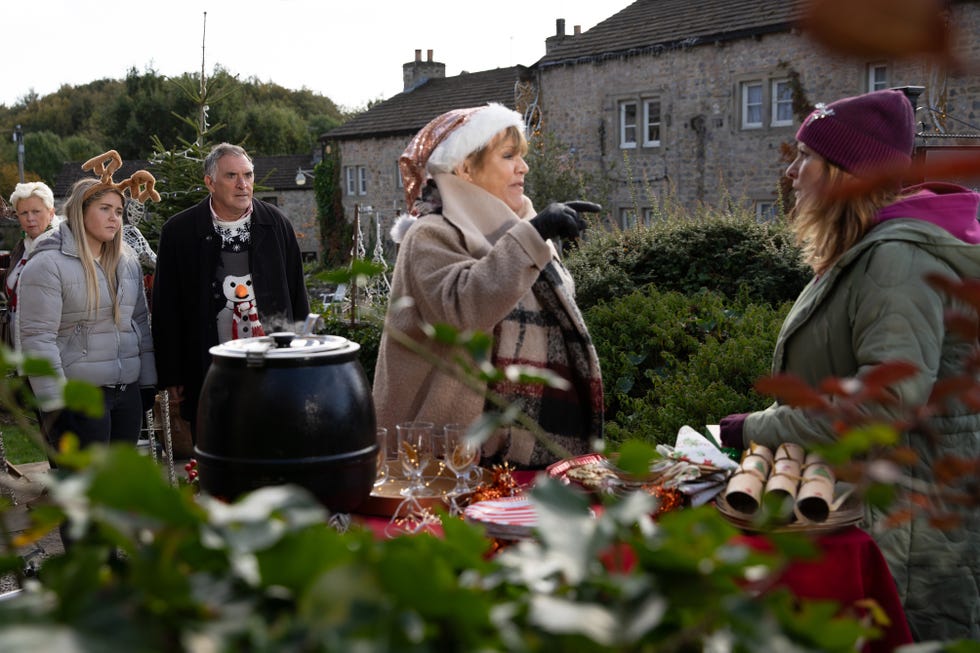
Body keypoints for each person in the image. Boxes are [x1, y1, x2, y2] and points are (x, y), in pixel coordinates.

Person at [718, 89, 980, 642]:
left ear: (843, 175)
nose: (791, 173)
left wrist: (756, 427)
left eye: (804, 158)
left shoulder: (897, 260)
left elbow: (881, 409)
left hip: (906, 536)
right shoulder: (872, 250)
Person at [373, 103, 604, 469]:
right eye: (509, 156)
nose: (523, 167)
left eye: (522, 157)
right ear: (464, 167)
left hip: (526, 451)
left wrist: (539, 238)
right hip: (443, 462)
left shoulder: (516, 229)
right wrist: (536, 234)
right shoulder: (430, 234)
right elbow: (463, 311)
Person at [151, 143, 310, 437]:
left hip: (272, 367)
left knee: (274, 446)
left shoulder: (276, 225)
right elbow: (166, 309)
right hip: (208, 368)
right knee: (217, 453)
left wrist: (304, 358)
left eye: (248, 175)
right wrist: (171, 374)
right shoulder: (179, 232)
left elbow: (298, 297)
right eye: (231, 176)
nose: (243, 184)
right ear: (209, 182)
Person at [16, 151, 158, 450]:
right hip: (79, 396)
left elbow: (140, 325)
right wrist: (55, 403)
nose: (114, 218)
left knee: (119, 485)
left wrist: (146, 381)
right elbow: (38, 340)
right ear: (81, 212)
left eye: (119, 211)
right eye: (105, 208)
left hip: (126, 391)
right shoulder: (47, 265)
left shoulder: (127, 261)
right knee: (87, 489)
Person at [1, 182, 63, 350]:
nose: (30, 218)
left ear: (51, 213)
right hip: (18, 345)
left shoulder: (62, 248)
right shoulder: (23, 246)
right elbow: (15, 282)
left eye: (36, 211)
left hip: (50, 349)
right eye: (24, 213)